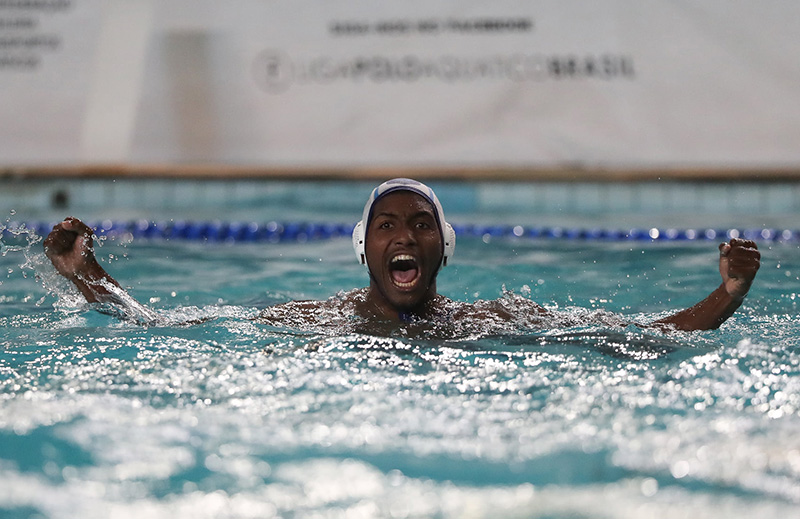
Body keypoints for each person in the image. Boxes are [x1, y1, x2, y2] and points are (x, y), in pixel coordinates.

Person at [43, 178, 761, 335]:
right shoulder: (312, 320)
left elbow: (637, 336)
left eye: (420, 226)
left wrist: (725, 292)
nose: (404, 237)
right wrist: (87, 275)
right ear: (367, 249)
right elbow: (167, 328)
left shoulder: (491, 320)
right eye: (387, 225)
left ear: (441, 250)